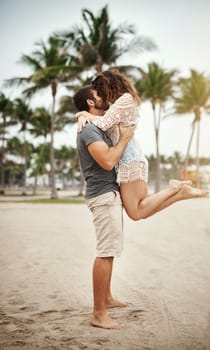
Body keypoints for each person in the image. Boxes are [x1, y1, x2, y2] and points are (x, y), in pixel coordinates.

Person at [76, 70, 208, 221]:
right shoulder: (118, 103)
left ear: (108, 86)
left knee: (136, 212)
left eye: (101, 90)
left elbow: (104, 124)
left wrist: (84, 114)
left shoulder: (125, 100)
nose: (102, 94)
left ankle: (174, 189)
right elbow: (102, 120)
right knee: (138, 210)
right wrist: (83, 115)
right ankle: (179, 193)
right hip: (129, 156)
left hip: (129, 158)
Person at [73, 85, 135, 330]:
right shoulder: (88, 131)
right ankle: (98, 313)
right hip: (102, 196)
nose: (105, 97)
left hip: (108, 194)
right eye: (99, 94)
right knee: (105, 252)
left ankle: (107, 299)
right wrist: (126, 139)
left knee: (110, 250)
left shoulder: (94, 124)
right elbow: (108, 161)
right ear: (91, 102)